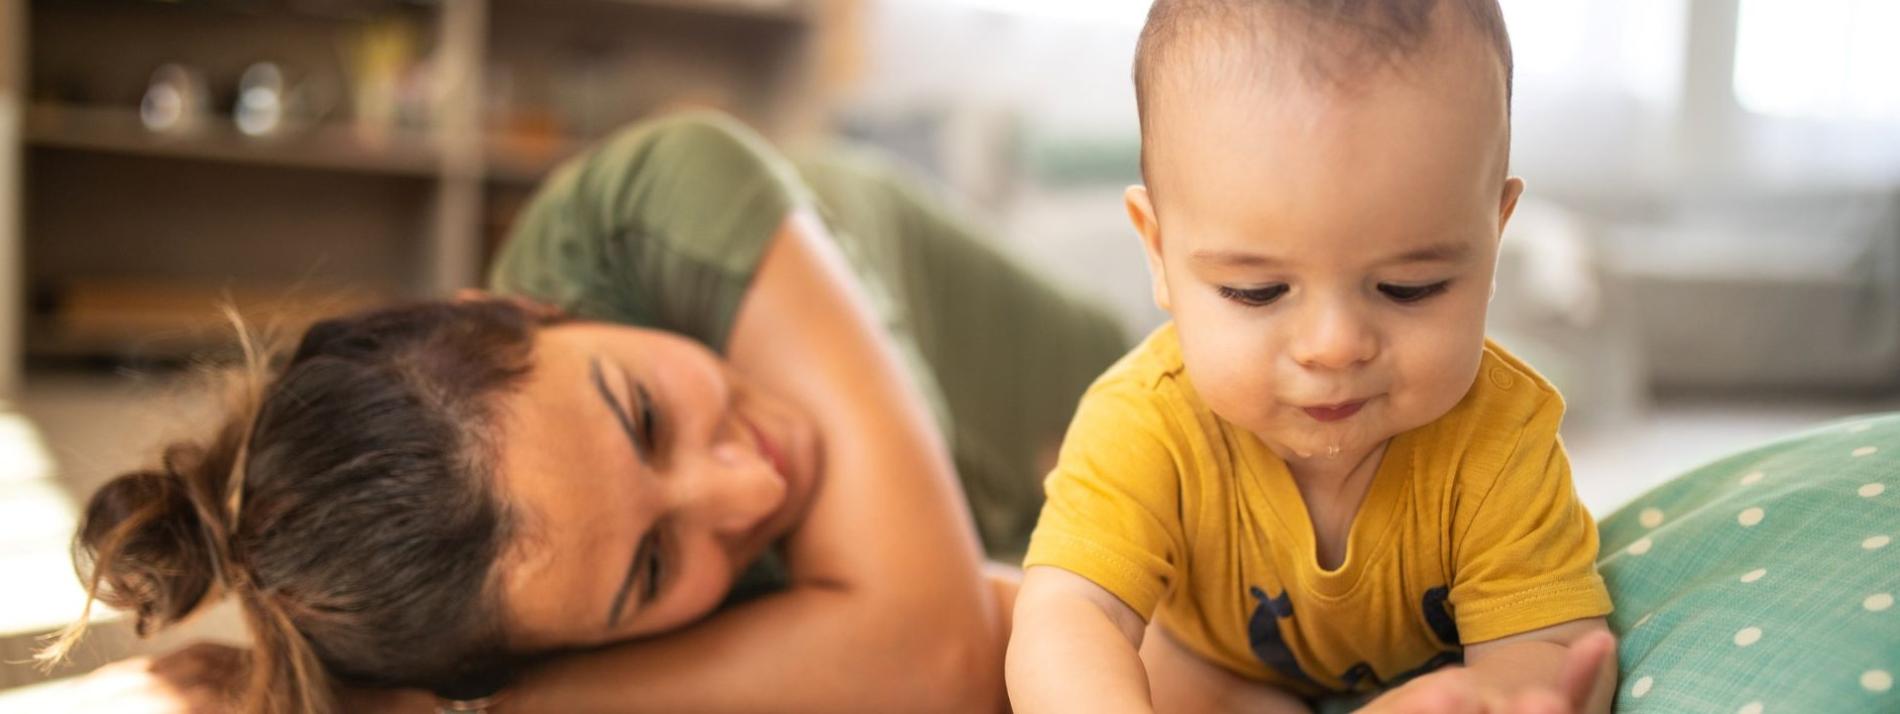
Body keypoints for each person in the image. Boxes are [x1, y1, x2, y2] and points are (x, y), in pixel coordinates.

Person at [43, 110, 1128, 713]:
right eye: (650, 570)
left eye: (644, 414)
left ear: (515, 310)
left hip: (1079, 402)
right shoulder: (495, 614)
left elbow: (934, 657)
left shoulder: (662, 196)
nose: (749, 486)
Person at [1004, 1, 1618, 712]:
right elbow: (1069, 613)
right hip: (1209, 675)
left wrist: (1491, 696)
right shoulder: (1143, 423)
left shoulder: (1501, 437)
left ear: (1494, 236)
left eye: (1408, 288)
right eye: (1257, 291)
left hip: (1416, 685)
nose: (1334, 346)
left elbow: (1552, 647)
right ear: (1159, 249)